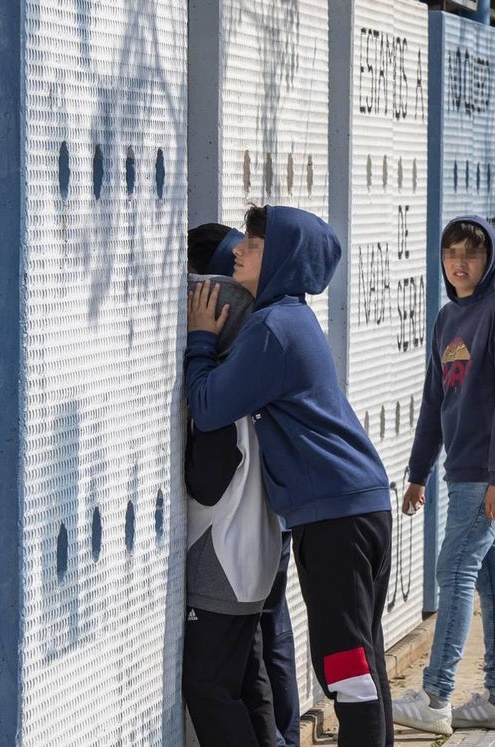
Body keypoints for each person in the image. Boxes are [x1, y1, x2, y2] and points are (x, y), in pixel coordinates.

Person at [185, 205, 395, 747]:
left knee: (346, 667)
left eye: (252, 245)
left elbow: (208, 408)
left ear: (278, 257)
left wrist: (202, 338)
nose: (237, 251)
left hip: (337, 518)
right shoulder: (291, 318)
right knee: (360, 660)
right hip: (356, 505)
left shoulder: (275, 328)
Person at [391, 217, 495, 736]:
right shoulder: (448, 318)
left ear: (488, 259)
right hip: (461, 471)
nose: (459, 263)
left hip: (486, 475)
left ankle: (436, 696)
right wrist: (418, 471)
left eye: (470, 254)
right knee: (493, 582)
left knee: (453, 572)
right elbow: (435, 402)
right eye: (451, 253)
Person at [184, 223, 301, 747]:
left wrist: (197, 346)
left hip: (223, 568)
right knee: (249, 682)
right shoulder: (250, 386)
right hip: (253, 561)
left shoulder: (220, 404)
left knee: (208, 687)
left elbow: (205, 484)